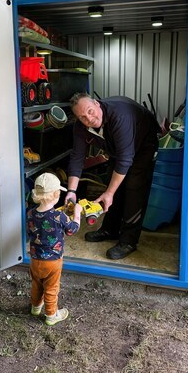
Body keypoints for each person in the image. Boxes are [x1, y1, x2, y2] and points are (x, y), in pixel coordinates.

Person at [65, 93, 159, 260]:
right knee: (112, 185)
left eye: (90, 111)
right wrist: (71, 191)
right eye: (83, 117)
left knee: (134, 187)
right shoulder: (81, 127)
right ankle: (110, 229)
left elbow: (125, 159)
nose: (89, 118)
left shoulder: (119, 116)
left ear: (96, 103)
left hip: (144, 144)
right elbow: (77, 157)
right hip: (118, 148)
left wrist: (109, 193)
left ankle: (128, 241)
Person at [27, 172, 82, 326]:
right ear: (57, 194)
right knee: (51, 288)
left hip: (35, 259)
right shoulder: (59, 216)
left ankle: (36, 307)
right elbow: (72, 229)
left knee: (37, 284)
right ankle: (51, 315)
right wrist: (77, 213)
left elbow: (37, 226)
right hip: (52, 261)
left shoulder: (31, 213)